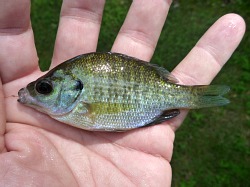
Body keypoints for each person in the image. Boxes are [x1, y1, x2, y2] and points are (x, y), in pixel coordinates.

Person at [0, 0, 245, 186]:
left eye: (46, 88)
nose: (38, 93)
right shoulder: (67, 108)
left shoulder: (78, 108)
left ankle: (195, 97)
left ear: (74, 88)